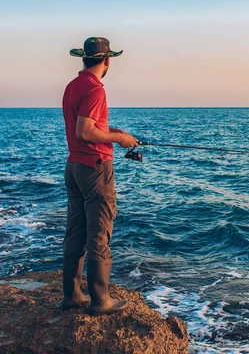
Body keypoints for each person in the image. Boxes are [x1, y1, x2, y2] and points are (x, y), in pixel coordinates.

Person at [60, 37, 138, 315]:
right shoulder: (96, 89)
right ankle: (100, 300)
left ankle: (72, 295)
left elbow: (89, 124)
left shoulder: (73, 86)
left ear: (83, 59)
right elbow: (85, 132)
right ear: (107, 61)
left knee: (76, 229)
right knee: (99, 231)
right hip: (94, 168)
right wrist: (117, 140)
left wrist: (117, 133)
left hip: (74, 167)